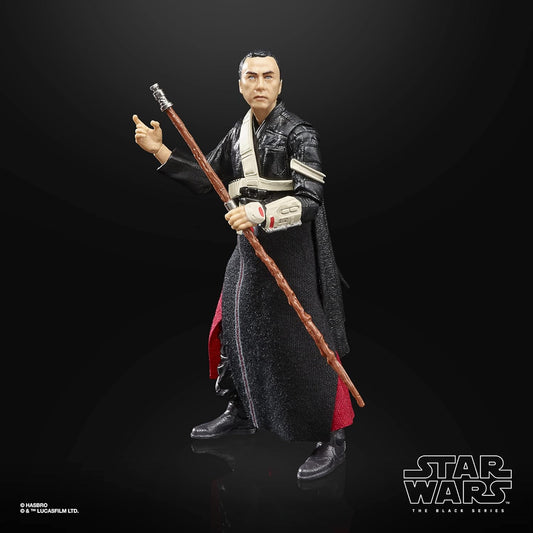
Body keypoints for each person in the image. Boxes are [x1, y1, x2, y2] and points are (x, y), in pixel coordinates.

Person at [133, 50, 354, 481]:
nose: (259, 84)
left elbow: (310, 199)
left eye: (268, 76)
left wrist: (261, 213)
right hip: (248, 248)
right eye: (251, 77)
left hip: (290, 247)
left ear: (280, 84)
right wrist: (160, 150)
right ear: (240, 85)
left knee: (307, 338)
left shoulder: (299, 133)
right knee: (232, 323)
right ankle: (241, 409)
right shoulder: (238, 133)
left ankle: (334, 436)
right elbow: (209, 179)